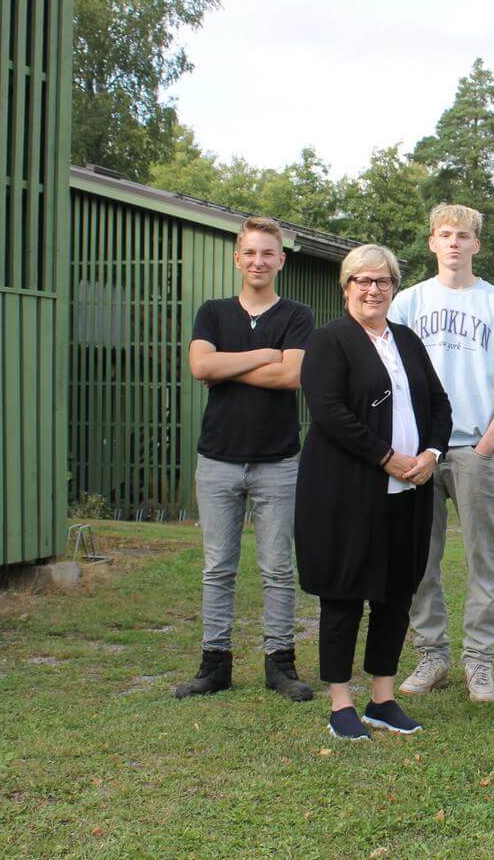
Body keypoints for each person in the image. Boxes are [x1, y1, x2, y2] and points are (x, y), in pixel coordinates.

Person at [294, 245, 452, 740]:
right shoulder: (329, 341)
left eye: (382, 281)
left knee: (396, 593)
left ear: (394, 288)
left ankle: (382, 699)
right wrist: (387, 457)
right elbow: (328, 411)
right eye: (362, 280)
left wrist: (430, 454)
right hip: (347, 493)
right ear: (346, 288)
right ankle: (341, 703)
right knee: (344, 593)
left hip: (409, 491)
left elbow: (440, 405)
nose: (372, 289)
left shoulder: (406, 340)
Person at [389, 204, 494, 703]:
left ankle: (478, 661)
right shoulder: (406, 302)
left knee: (482, 560)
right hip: (417, 453)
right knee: (419, 559)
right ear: (431, 242)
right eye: (445, 234)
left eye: (463, 235)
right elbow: (390, 375)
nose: (453, 242)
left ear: (477, 244)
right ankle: (432, 655)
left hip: (475, 445)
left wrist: (492, 439)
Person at [173, 216, 315, 702]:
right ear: (238, 258)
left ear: (280, 260)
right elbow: (199, 366)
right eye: (250, 253)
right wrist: (264, 354)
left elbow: (291, 377)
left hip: (277, 460)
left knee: (278, 568)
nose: (258, 261)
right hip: (218, 459)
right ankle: (215, 665)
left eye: (268, 253)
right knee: (218, 567)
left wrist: (229, 364)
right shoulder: (212, 311)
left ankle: (280, 664)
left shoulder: (297, 315)